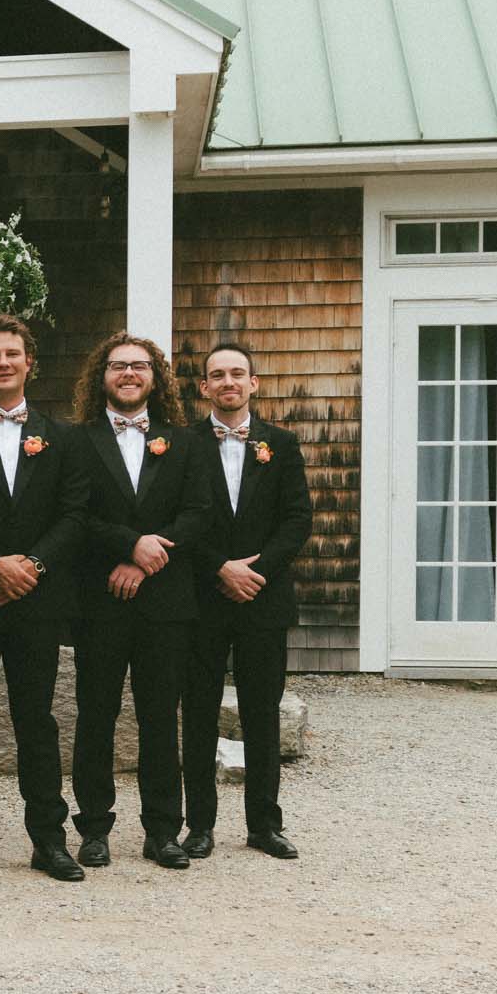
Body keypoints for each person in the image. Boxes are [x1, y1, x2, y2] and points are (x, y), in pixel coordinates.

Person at [0, 314, 92, 882]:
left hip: (37, 599)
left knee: (37, 721)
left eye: (12, 354)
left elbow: (74, 514)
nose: (3, 363)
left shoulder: (64, 436)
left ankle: (49, 840)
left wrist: (30, 567)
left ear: (30, 362)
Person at [67, 331, 213, 870]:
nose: (128, 374)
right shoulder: (76, 441)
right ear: (100, 376)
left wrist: (150, 556)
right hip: (100, 598)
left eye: (139, 365)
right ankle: (94, 829)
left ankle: (162, 831)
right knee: (96, 716)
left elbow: (199, 512)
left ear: (156, 377)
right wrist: (127, 548)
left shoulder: (186, 442)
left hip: (166, 601)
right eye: (117, 366)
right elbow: (75, 514)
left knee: (159, 717)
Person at [183, 342, 312, 860]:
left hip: (263, 597)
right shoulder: (183, 443)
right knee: (197, 712)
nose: (228, 382)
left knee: (263, 713)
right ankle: (200, 826)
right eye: (218, 375)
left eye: (238, 374)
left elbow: (297, 518)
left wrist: (254, 571)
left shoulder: (280, 444)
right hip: (202, 598)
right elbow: (178, 518)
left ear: (254, 383)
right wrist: (219, 568)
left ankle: (264, 823)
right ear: (204, 387)